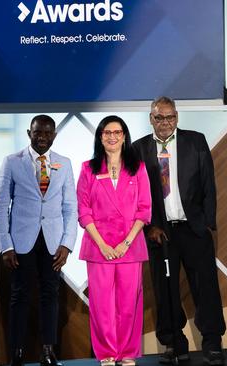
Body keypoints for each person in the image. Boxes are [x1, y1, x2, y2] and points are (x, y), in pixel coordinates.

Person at [132, 96, 226, 365]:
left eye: (170, 117)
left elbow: (209, 184)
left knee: (205, 287)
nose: (165, 122)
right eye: (159, 117)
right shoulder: (139, 149)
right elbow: (136, 194)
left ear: (177, 117)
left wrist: (208, 223)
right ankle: (174, 343)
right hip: (160, 233)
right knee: (165, 290)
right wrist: (149, 227)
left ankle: (212, 342)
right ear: (151, 118)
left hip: (194, 229)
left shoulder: (195, 141)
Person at [0, 115, 77, 366]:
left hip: (53, 242)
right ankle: (16, 353)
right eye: (38, 133)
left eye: (47, 133)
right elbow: (1, 206)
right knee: (19, 296)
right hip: (20, 243)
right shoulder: (12, 162)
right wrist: (5, 245)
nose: (42, 137)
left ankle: (48, 351)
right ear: (29, 133)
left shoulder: (64, 163)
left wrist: (67, 243)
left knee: (50, 296)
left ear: (54, 135)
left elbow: (70, 207)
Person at [76, 116, 151, 366]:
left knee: (129, 303)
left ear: (124, 136)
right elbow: (84, 211)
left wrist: (125, 243)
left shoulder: (137, 168)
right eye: (106, 132)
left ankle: (128, 352)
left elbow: (144, 210)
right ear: (100, 137)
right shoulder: (88, 168)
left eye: (117, 132)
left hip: (130, 246)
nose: (112, 136)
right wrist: (103, 245)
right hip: (99, 248)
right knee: (102, 305)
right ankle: (107, 353)